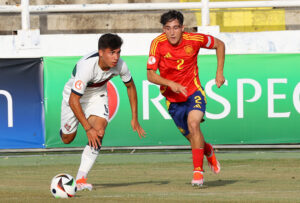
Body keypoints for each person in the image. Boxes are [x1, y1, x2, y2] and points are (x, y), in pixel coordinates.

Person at [147, 10, 225, 187]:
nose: (172, 32)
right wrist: (170, 84)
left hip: (193, 92)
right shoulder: (157, 44)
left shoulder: (195, 40)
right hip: (173, 100)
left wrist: (219, 72)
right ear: (163, 29)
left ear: (182, 28)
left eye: (175, 28)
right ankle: (208, 150)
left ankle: (198, 172)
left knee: (194, 124)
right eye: (167, 28)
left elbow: (220, 45)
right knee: (193, 139)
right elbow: (150, 75)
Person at [60, 33, 146, 191]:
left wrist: (135, 117)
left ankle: (81, 178)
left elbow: (130, 87)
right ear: (101, 52)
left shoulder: (121, 65)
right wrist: (87, 127)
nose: (116, 57)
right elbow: (74, 100)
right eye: (111, 52)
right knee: (67, 138)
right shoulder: (87, 67)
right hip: (73, 97)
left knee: (99, 132)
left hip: (97, 95)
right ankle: (75, 123)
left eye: (118, 52)